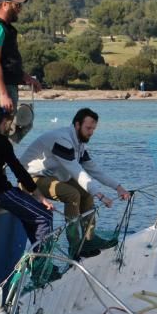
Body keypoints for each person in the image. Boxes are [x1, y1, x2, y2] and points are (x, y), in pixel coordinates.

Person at [20, 108, 130, 258]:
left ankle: (89, 239)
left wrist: (119, 187)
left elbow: (94, 170)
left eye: (93, 129)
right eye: (88, 128)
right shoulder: (62, 140)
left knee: (85, 192)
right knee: (72, 194)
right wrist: (99, 194)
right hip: (30, 179)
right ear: (77, 125)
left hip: (53, 177)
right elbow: (76, 170)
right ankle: (75, 244)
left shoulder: (79, 144)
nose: (91, 132)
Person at [0, 103, 54, 246]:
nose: (6, 127)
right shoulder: (0, 141)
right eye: (5, 123)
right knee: (44, 216)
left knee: (31, 215)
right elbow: (18, 169)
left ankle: (36, 257)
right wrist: (39, 196)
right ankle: (43, 264)